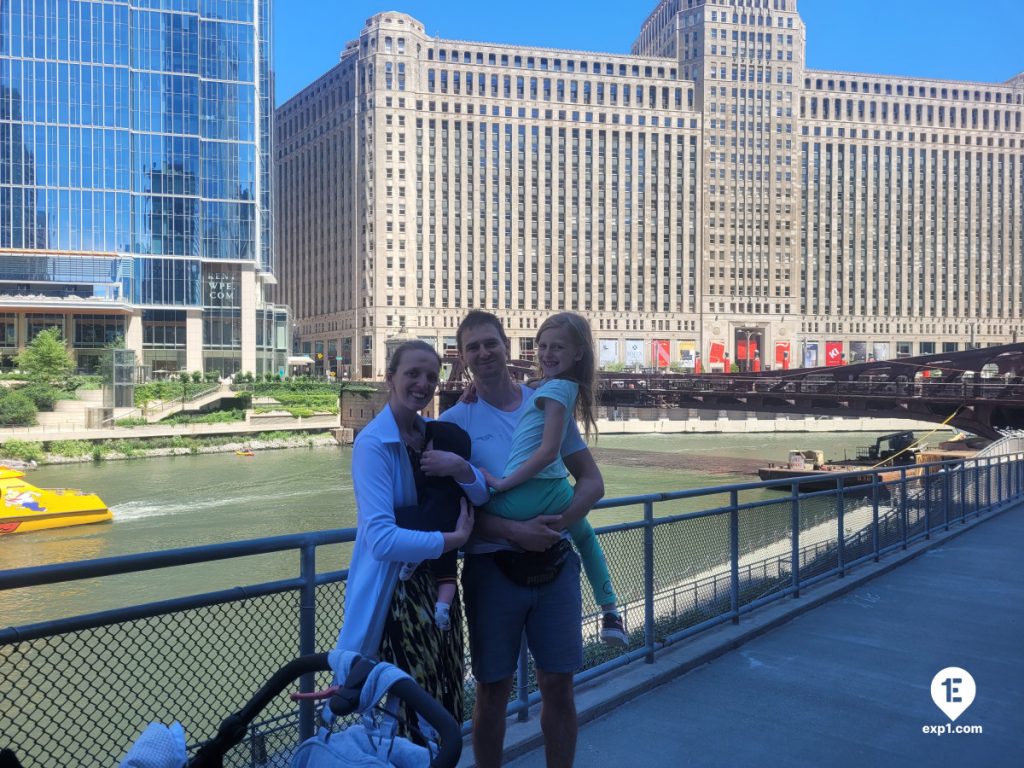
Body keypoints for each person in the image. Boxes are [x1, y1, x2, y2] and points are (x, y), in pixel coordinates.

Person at [441, 310, 605, 768]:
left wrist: (557, 524)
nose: (483, 352)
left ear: (508, 347)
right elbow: (459, 512)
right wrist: (515, 531)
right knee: (492, 690)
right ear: (463, 357)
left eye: (490, 342)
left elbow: (591, 482)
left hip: (555, 565)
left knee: (559, 685)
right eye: (472, 346)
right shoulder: (456, 422)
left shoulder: (547, 401)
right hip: (491, 571)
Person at [336, 339, 488, 727]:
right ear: (390, 379)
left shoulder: (437, 434)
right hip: (398, 598)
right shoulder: (373, 444)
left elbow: (479, 495)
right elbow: (381, 540)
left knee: (446, 695)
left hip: (438, 593)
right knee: (408, 712)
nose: (423, 383)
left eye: (431, 376)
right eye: (412, 374)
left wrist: (459, 468)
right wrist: (451, 540)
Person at [480, 312, 625, 645]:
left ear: (578, 353)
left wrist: (502, 484)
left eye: (557, 347)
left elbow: (547, 453)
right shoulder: (558, 387)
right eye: (542, 346)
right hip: (558, 493)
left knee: (469, 505)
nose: (547, 354)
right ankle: (611, 613)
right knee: (585, 537)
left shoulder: (557, 389)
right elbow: (535, 389)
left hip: (523, 495)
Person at [396, 419, 474, 631]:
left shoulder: (428, 472)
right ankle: (442, 607)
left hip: (430, 526)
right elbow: (481, 492)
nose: (424, 446)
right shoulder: (459, 478)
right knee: (448, 574)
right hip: (453, 530)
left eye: (429, 443)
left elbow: (413, 487)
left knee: (406, 520)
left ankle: (412, 559)